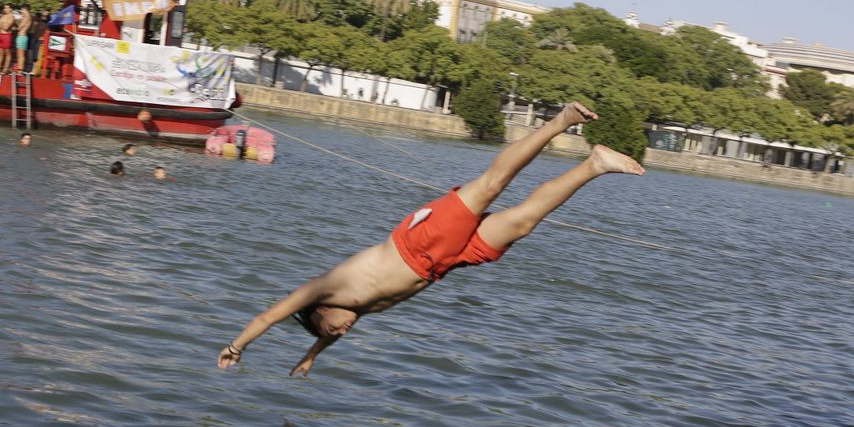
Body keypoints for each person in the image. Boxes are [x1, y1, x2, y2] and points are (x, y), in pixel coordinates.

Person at [216, 103, 644, 377]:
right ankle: (595, 164)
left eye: (333, 328)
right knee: (523, 223)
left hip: (419, 241)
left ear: (321, 310)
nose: (342, 331)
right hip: (443, 264)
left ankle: (560, 121)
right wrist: (310, 357)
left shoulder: (326, 289)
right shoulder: (355, 310)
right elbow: (330, 332)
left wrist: (237, 346)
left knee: (492, 185)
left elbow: (269, 316)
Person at [0, 4, 18, 73]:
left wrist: (2, 24)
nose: (5, 10)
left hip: (7, 36)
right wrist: (3, 24)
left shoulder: (12, 17)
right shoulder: (3, 16)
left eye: (7, 8)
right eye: (5, 8)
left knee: (7, 53)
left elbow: (6, 28)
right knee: (0, 53)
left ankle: (5, 69)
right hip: (0, 35)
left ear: (11, 9)